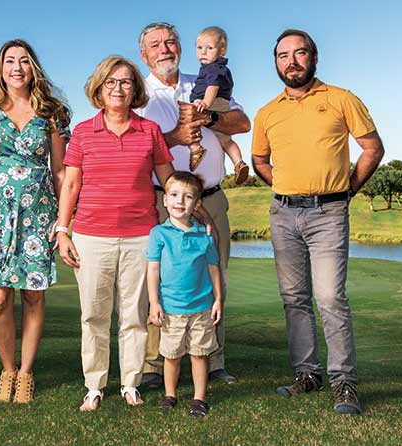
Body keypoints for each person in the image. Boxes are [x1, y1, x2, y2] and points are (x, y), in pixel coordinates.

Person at [251, 29, 385, 415]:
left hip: (329, 212)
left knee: (329, 297)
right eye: (282, 56)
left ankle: (344, 382)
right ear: (276, 63)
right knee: (294, 298)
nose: (291, 61)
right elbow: (260, 160)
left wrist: (349, 188)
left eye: (299, 53)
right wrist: (285, 185)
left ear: (314, 57)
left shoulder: (341, 99)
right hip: (282, 213)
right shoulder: (267, 112)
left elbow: (372, 147)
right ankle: (307, 374)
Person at [55, 55, 174, 411]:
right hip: (91, 236)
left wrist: (191, 210)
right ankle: (94, 384)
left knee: (134, 316)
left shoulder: (149, 131)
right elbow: (71, 183)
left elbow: (167, 180)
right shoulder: (82, 132)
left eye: (125, 82)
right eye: (111, 82)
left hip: (141, 236)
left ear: (134, 89)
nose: (118, 88)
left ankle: (130, 383)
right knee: (93, 314)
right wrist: (64, 231)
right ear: (99, 89)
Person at [136, 22, 251, 389]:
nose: (164, 48)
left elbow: (242, 122)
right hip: (161, 201)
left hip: (212, 199)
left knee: (215, 277)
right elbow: (137, 149)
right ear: (145, 54)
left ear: (181, 48)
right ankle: (155, 366)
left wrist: (210, 117)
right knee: (159, 281)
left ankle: (214, 359)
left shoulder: (205, 79)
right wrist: (173, 138)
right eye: (155, 44)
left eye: (170, 41)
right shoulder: (138, 93)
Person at [0, 39, 70, 404]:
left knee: (33, 294)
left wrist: (63, 222)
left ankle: (26, 374)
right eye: (9, 61)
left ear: (33, 68)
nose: (17, 68)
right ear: (0, 68)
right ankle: (7, 370)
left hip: (38, 212)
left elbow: (60, 171)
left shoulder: (53, 113)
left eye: (24, 61)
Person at [147, 171, 222, 417]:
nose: (180, 201)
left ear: (196, 204)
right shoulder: (159, 234)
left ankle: (199, 399)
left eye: (188, 197)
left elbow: (213, 268)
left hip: (201, 307)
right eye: (175, 195)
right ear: (165, 200)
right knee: (171, 355)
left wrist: (218, 300)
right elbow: (153, 270)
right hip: (171, 308)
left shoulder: (205, 235)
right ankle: (170, 395)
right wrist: (154, 302)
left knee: (199, 355)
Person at [187, 26, 249, 184]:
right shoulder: (214, 68)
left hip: (213, 102)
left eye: (209, 48)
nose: (203, 52)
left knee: (189, 123)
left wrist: (205, 103)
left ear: (222, 51)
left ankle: (196, 150)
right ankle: (239, 163)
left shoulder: (214, 69)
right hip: (220, 102)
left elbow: (213, 86)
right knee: (226, 140)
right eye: (200, 47)